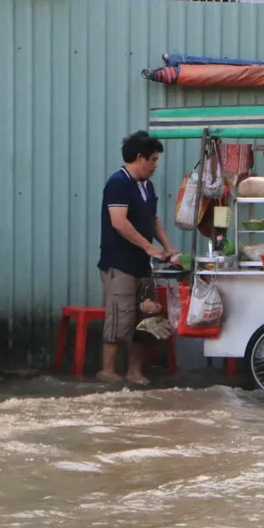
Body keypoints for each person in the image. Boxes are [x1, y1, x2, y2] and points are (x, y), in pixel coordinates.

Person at [97, 131, 179, 385]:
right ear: (140, 157)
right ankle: (108, 370)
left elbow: (153, 220)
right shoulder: (118, 183)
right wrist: (148, 247)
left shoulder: (147, 186)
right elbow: (119, 222)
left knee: (144, 319)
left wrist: (168, 247)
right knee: (120, 317)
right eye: (153, 160)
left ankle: (135, 371)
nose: (155, 166)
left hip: (142, 265)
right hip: (119, 263)